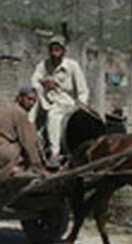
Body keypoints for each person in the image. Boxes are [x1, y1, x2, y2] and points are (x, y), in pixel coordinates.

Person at [30, 34, 89, 164]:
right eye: (52, 49)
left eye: (57, 49)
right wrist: (44, 82)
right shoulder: (43, 65)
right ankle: (28, 130)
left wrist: (82, 103)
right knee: (33, 100)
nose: (54, 52)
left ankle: (54, 153)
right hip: (48, 100)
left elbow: (83, 90)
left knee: (53, 116)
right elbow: (34, 81)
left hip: (65, 103)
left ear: (63, 51)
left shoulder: (73, 66)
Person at [0, 83, 45, 187]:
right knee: (24, 143)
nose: (32, 103)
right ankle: (15, 167)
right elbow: (28, 142)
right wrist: (37, 164)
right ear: (20, 98)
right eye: (29, 99)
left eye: (34, 101)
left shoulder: (10, 109)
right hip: (0, 152)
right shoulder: (19, 113)